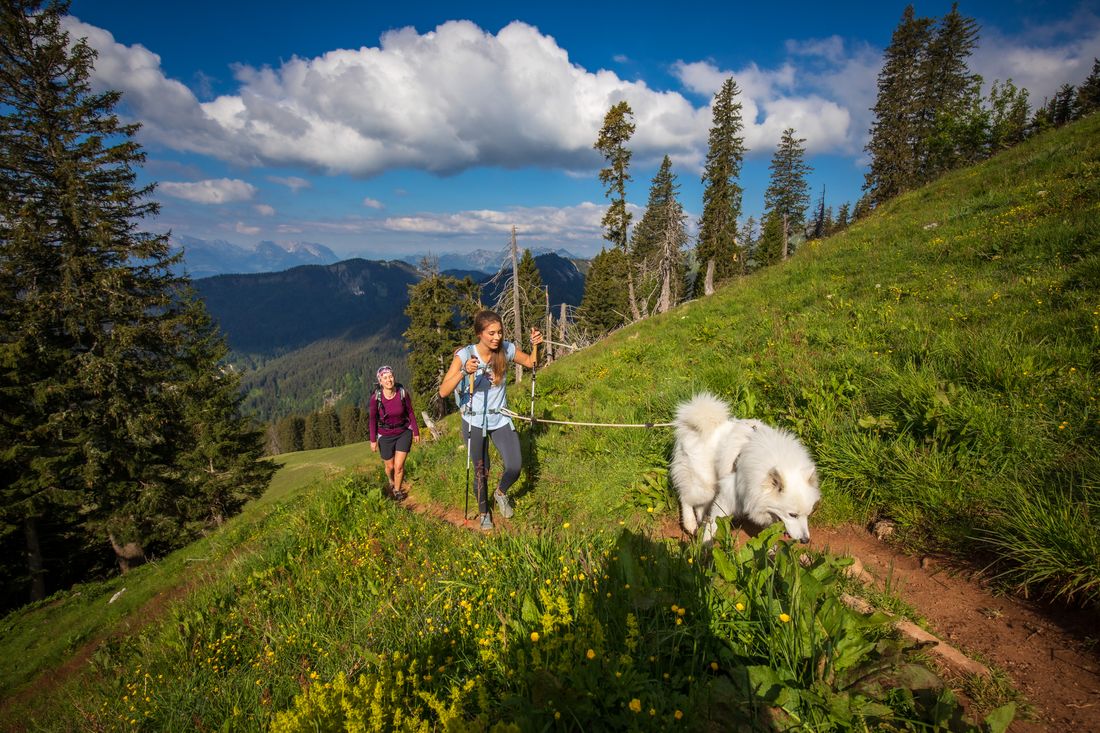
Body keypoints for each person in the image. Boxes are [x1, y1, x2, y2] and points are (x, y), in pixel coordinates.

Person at [439, 310, 542, 530]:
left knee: (514, 465)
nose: (497, 337)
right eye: (491, 333)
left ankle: (500, 493)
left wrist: (535, 345)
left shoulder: (506, 349)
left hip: (500, 418)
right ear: (479, 333)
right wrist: (463, 372)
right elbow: (443, 391)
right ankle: (484, 512)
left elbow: (532, 363)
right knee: (480, 470)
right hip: (474, 421)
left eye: (500, 332)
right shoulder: (465, 355)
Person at [369, 366, 420, 500]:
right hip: (385, 435)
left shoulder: (402, 393)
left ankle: (397, 490)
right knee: (390, 467)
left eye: (390, 376)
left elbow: (410, 412)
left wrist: (416, 431)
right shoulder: (376, 398)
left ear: (394, 377)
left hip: (403, 432)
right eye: (385, 378)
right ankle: (391, 481)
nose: (389, 380)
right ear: (380, 381)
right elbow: (372, 419)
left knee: (399, 466)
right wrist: (373, 440)